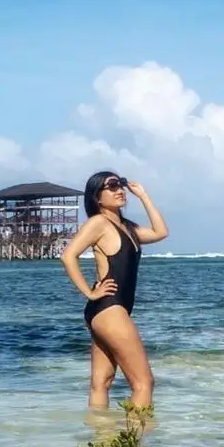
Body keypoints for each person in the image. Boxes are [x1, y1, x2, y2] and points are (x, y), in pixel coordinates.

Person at [60, 172, 169, 409]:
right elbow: (69, 256)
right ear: (97, 197)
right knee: (144, 383)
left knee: (102, 381)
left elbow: (160, 232)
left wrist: (143, 196)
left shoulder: (127, 227)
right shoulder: (98, 223)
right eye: (111, 186)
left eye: (120, 184)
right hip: (109, 308)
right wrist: (89, 293)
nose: (119, 189)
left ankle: (101, 439)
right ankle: (138, 443)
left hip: (106, 311)